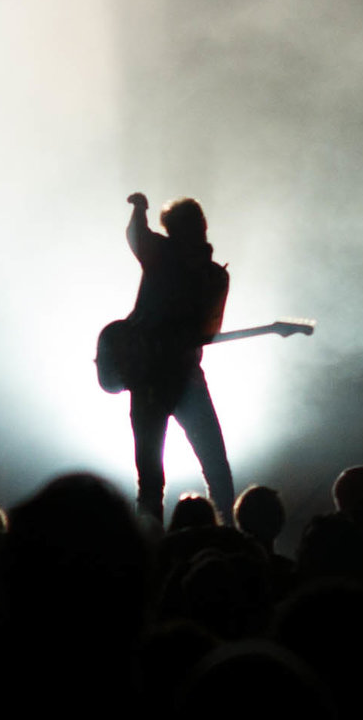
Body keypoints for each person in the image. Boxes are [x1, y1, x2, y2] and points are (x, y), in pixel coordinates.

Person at [121, 191, 235, 521]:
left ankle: (160, 546)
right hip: (171, 383)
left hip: (170, 382)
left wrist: (140, 209)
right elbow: (138, 237)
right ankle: (222, 532)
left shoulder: (209, 275)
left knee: (159, 481)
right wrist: (140, 210)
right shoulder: (186, 266)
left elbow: (137, 236)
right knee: (205, 471)